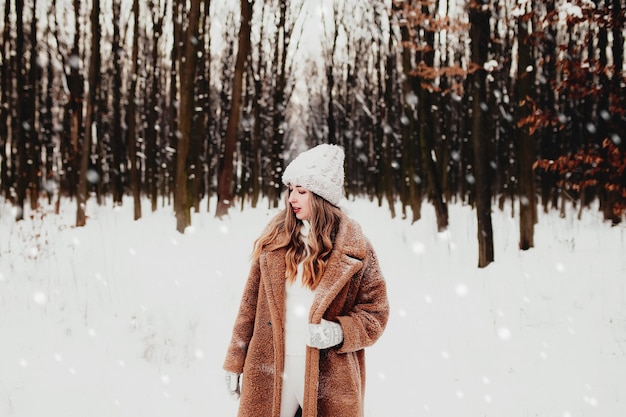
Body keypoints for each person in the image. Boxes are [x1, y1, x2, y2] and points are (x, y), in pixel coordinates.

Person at [223, 143, 389, 417]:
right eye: (291, 190)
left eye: (302, 191)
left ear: (322, 197)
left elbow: (376, 313)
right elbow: (249, 308)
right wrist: (234, 360)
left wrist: (339, 331)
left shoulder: (356, 248)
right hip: (271, 369)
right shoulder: (274, 242)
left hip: (330, 376)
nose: (292, 198)